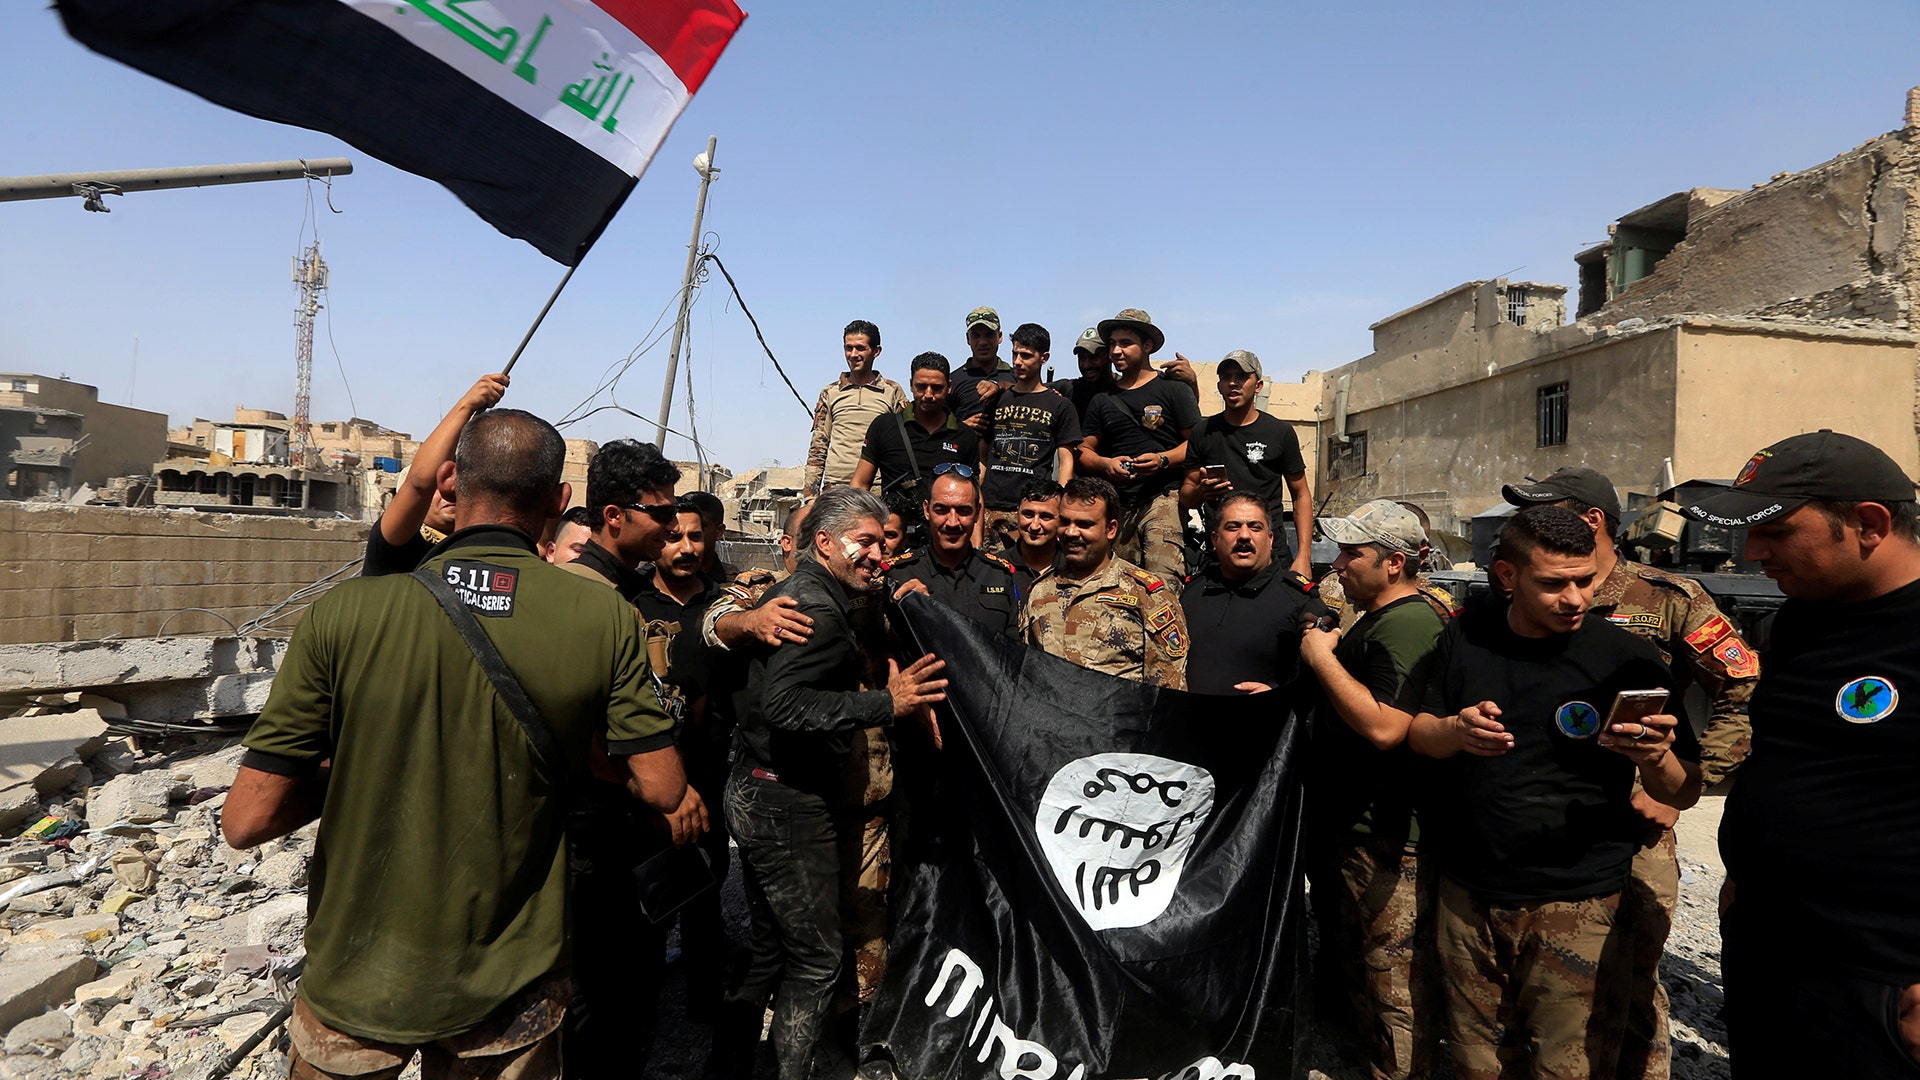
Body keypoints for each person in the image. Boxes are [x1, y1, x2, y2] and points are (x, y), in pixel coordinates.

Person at [222, 409, 689, 1080]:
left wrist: (360, 760)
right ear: (561, 502)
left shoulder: (344, 615)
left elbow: (247, 820)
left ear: (450, 481)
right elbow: (665, 787)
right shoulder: (603, 616)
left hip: (357, 975)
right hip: (510, 982)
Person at [1407, 505, 1701, 1080]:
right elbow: (1419, 733)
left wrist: (1656, 758)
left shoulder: (1627, 659)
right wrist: (1455, 731)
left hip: (1579, 903)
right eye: (1554, 583)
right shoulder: (1466, 636)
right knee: (1477, 1064)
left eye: (1585, 580)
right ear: (1508, 576)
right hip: (1469, 897)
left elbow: (1684, 789)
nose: (1576, 599)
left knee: (1567, 1069)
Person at [1502, 465, 1759, 1080]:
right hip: (1541, 816)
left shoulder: (1665, 599)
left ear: (1591, 522)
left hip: (1632, 824)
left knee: (1631, 979)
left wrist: (1683, 787)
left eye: (1546, 510)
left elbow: (1744, 688)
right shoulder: (1516, 587)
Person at [1677, 431, 1920, 1079]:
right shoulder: (1803, 620)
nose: (1753, 553)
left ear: (1868, 524)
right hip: (1771, 955)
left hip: (1882, 983)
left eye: (1777, 531)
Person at [713, 488, 948, 1080]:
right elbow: (785, 706)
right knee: (816, 958)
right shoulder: (814, 608)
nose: (877, 554)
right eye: (864, 543)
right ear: (823, 542)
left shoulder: (832, 593)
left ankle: (736, 1062)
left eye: (882, 541)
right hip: (782, 800)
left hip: (764, 789)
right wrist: (884, 705)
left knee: (775, 947)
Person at [547, 439, 704, 1076]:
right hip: (594, 825)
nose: (672, 527)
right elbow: (586, 734)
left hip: (607, 822)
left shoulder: (614, 586)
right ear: (615, 516)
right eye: (660, 514)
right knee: (606, 1000)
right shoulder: (586, 595)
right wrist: (653, 792)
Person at [1300, 499, 1449, 1080]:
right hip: (1359, 828)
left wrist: (1320, 660)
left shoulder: (1409, 622)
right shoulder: (1381, 618)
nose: (1337, 565)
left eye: (1351, 553)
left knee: (1395, 985)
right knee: (1361, 971)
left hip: (1390, 839)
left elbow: (1387, 726)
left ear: (1394, 563)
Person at [630, 505, 735, 1024]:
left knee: (704, 893)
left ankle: (704, 1005)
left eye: (695, 536)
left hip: (709, 774)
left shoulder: (724, 606)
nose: (686, 547)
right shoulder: (629, 601)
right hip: (643, 776)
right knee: (643, 896)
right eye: (674, 537)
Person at [1024, 476, 1189, 689]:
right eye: (1065, 522)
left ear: (1111, 529)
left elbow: (1168, 689)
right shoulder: (1040, 591)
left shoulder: (1148, 595)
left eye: (1085, 524)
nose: (1071, 532)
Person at [1075, 308, 1200, 586]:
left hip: (1162, 499)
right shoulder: (1102, 400)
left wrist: (1163, 460)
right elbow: (1083, 451)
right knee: (1116, 587)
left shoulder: (1173, 390)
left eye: (1125, 343)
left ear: (1147, 346)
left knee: (1162, 583)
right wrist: (1106, 464)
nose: (1116, 351)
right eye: (1113, 344)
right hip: (1118, 506)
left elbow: (1197, 442)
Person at [1179, 490, 1328, 695]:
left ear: (1270, 538)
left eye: (1255, 527)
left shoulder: (1300, 600)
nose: (1244, 536)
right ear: (1215, 539)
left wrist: (1277, 696)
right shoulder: (1191, 592)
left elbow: (1327, 681)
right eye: (1233, 527)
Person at [1181, 350, 1313, 578]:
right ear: (1219, 385)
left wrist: (1303, 557)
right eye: (1226, 377)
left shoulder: (1280, 432)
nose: (1233, 383)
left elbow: (1301, 494)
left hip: (1271, 553)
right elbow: (1186, 496)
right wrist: (1201, 492)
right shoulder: (1203, 432)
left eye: (1242, 377)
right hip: (1220, 553)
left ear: (1258, 385)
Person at [363, 372, 508, 576]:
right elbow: (420, 483)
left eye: (460, 485)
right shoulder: (395, 544)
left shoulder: (479, 550)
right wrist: (466, 405)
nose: (450, 492)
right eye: (438, 486)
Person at [886, 466, 1023, 636]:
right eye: (941, 510)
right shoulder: (898, 574)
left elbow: (1014, 650)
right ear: (926, 510)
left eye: (963, 511)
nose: (952, 522)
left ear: (978, 513)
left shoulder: (999, 574)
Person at [980, 323, 1080, 550]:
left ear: (1044, 358)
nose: (1017, 361)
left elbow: (1066, 462)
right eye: (1015, 354)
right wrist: (977, 498)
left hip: (1034, 509)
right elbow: (983, 456)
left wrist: (1058, 507)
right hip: (992, 506)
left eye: (1026, 355)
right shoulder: (998, 400)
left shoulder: (1060, 405)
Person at [850, 352, 978, 500]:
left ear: (949, 387)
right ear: (911, 384)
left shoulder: (965, 436)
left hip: (947, 522)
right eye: (921, 387)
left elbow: (974, 495)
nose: (928, 395)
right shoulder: (884, 427)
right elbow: (859, 484)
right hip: (893, 521)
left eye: (936, 388)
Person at [805, 320, 905, 495]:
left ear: (876, 351)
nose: (853, 354)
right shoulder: (830, 392)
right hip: (836, 487)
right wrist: (810, 497)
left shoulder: (892, 391)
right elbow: (818, 447)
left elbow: (904, 444)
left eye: (860, 348)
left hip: (877, 489)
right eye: (848, 348)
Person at [949, 306, 1015, 430]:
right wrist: (961, 429)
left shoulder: (1015, 377)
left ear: (999, 337)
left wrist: (1001, 386)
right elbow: (935, 426)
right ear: (968, 338)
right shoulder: (952, 381)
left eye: (989, 335)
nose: (982, 342)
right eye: (976, 336)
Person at [1049, 327, 1116, 428]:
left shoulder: (1124, 391)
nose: (1086, 365)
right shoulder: (1069, 390)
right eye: (1082, 358)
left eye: (1093, 357)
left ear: (1109, 355)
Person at [1003, 477, 1063, 586]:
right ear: (1017, 513)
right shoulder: (993, 568)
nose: (1034, 526)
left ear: (1062, 520)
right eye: (1028, 514)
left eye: (1045, 517)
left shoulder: (1075, 568)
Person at [683, 489, 738, 582]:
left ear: (719, 532)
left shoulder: (736, 584)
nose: (686, 544)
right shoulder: (653, 580)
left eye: (698, 528)